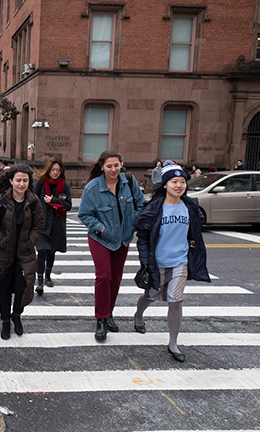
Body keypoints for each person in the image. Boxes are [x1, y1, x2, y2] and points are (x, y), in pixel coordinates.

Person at [133, 161, 210, 362]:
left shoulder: (190, 206)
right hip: (157, 263)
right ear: (165, 184)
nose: (179, 185)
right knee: (149, 297)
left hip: (180, 261)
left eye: (182, 181)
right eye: (174, 181)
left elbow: (197, 229)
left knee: (176, 301)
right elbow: (142, 236)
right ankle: (139, 315)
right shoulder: (155, 208)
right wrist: (145, 262)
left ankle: (173, 343)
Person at [78, 150, 145, 342]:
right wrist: (100, 228)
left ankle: (109, 313)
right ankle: (100, 319)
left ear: (121, 164)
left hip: (123, 239)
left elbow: (141, 206)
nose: (113, 169)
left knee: (115, 279)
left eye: (116, 165)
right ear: (102, 167)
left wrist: (133, 224)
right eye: (109, 166)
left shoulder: (129, 183)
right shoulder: (93, 188)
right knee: (104, 276)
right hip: (101, 238)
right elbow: (84, 214)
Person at [0, 164, 44, 339]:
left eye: (25, 180)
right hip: (3, 253)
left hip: (24, 253)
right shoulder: (0, 200)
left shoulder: (33, 201)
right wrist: (3, 241)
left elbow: (39, 224)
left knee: (23, 287)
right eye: (18, 180)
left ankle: (16, 315)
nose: (21, 184)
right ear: (11, 181)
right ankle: (5, 322)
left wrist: (30, 242)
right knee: (4, 289)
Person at [32, 158, 72, 295]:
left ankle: (48, 275)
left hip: (57, 225)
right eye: (52, 170)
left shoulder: (64, 186)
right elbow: (33, 200)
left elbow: (68, 206)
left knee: (51, 252)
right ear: (48, 170)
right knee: (42, 251)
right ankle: (40, 281)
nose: (55, 173)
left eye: (57, 170)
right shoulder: (41, 183)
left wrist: (54, 201)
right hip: (42, 224)